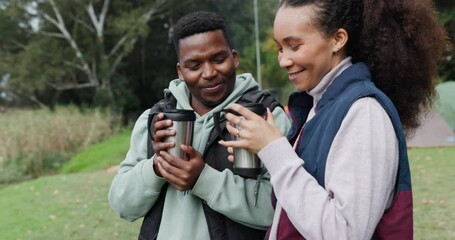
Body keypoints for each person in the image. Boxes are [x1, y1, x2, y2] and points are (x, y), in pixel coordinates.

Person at [219, 0, 448, 239]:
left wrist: (275, 151)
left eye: (295, 46)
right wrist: (268, 158)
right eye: (280, 48)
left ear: (338, 39)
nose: (283, 60)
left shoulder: (364, 113)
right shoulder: (318, 104)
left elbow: (344, 232)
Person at [108, 11, 291, 240]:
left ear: (234, 58)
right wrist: (157, 166)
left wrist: (203, 179)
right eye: (194, 65)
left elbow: (283, 209)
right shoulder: (155, 120)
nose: (209, 73)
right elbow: (122, 206)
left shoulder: (265, 117)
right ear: (180, 71)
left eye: (218, 59)